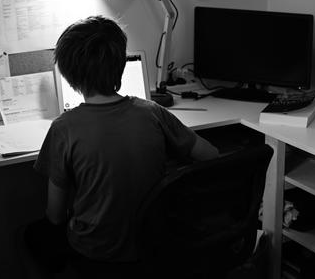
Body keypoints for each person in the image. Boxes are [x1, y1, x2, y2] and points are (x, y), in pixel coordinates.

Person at [26, 15, 218, 276]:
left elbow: (55, 215)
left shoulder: (64, 128)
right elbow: (212, 155)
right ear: (121, 65)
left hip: (96, 253)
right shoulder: (153, 112)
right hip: (152, 246)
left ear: (69, 75)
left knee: (32, 234)